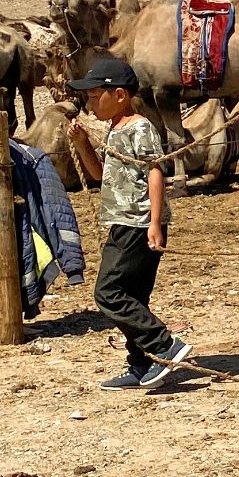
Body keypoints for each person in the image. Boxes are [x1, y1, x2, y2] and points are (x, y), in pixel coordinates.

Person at [66, 57, 191, 389]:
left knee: (108, 292)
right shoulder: (114, 129)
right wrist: (81, 144)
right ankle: (141, 364)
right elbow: (98, 175)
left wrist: (154, 221)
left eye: (94, 97)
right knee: (133, 296)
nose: (89, 104)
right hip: (123, 221)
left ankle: (165, 345)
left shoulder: (140, 127)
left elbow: (154, 171)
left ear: (119, 95)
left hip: (137, 223)